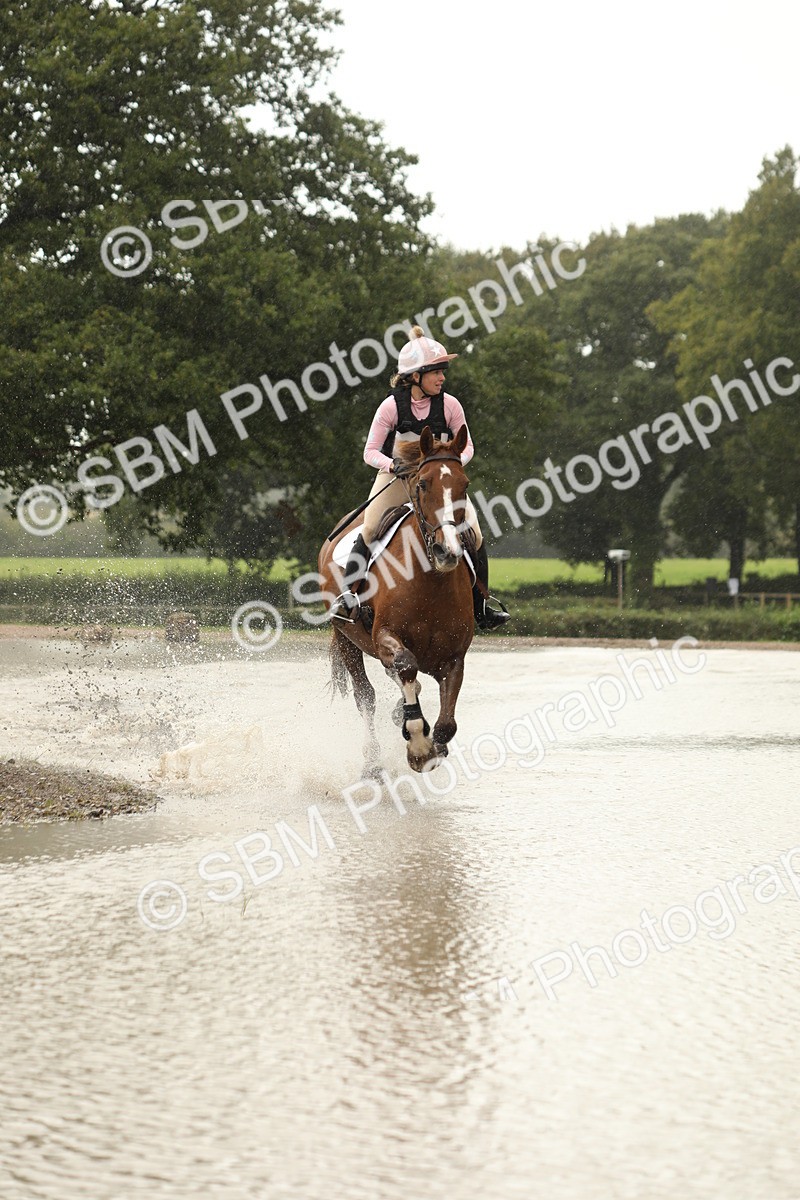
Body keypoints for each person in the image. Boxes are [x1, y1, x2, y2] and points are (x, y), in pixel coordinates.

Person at [329, 326, 510, 630]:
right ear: (415, 376)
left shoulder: (450, 404)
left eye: (443, 371)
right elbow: (369, 452)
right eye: (436, 372)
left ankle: (481, 605)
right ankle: (349, 596)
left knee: (475, 533)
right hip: (398, 480)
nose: (442, 378)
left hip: (439, 483)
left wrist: (452, 465)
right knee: (371, 527)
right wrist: (393, 465)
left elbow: (468, 446)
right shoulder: (391, 406)